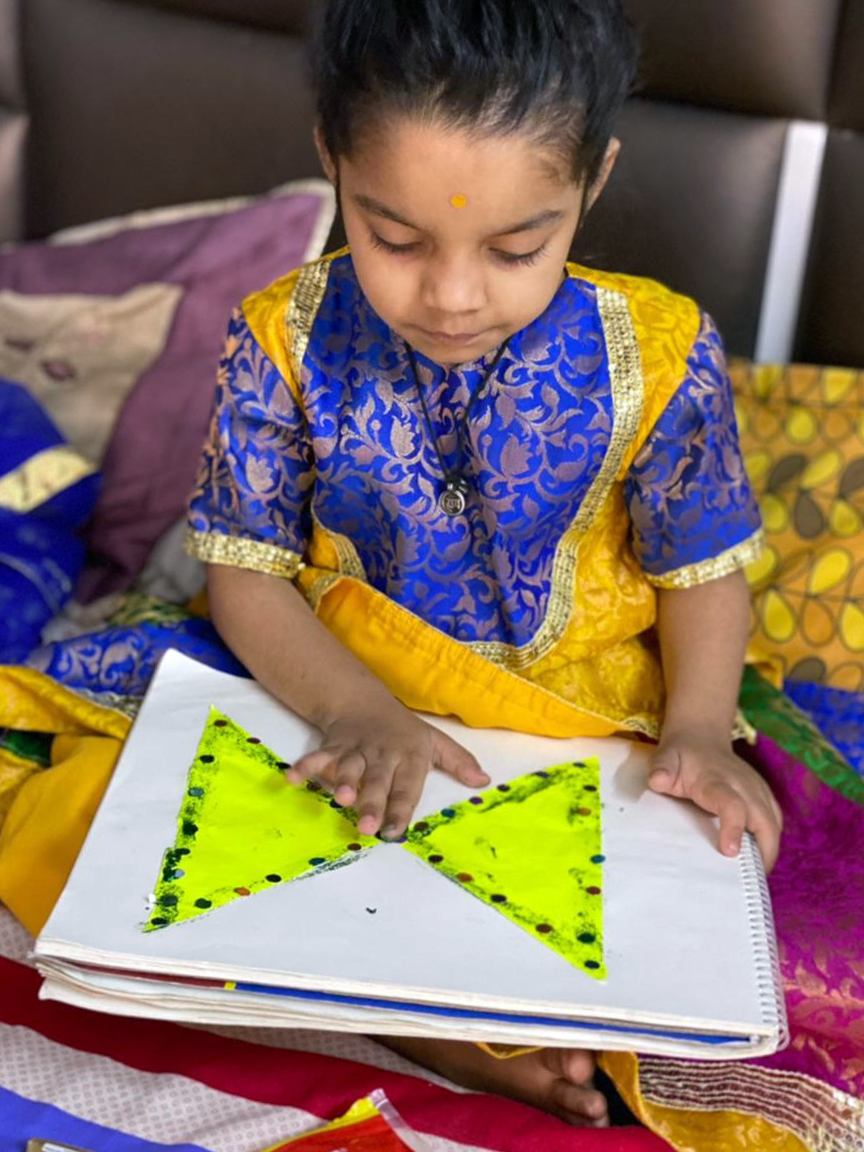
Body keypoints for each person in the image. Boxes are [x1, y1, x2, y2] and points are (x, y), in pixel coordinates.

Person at [185, 0, 782, 1127]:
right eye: (395, 238)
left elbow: (699, 568)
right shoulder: (276, 339)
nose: (453, 297)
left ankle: (495, 1025)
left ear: (592, 182)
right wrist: (356, 713)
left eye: (517, 247)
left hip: (582, 710)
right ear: (332, 163)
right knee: (125, 813)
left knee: (675, 906)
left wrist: (702, 727)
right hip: (339, 683)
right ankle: (434, 1031)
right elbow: (246, 570)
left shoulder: (657, 352)